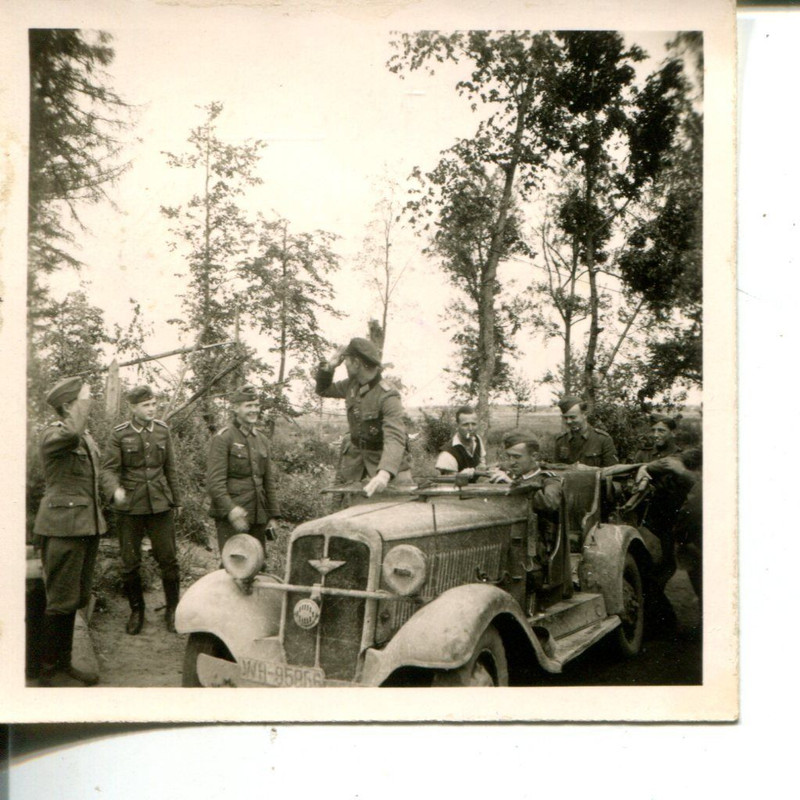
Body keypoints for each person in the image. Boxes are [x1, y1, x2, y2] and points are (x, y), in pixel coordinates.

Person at [33, 377, 105, 687]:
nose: (89, 403)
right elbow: (72, 432)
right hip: (63, 528)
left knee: (76, 598)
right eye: (83, 400)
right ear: (67, 405)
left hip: (85, 526)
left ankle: (64, 662)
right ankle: (49, 670)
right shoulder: (54, 434)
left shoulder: (83, 437)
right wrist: (83, 401)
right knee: (60, 600)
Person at [102, 385, 182, 635]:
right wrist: (114, 490)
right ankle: (137, 610)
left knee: (168, 559)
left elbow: (170, 468)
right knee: (129, 562)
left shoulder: (162, 430)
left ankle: (172, 609)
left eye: (154, 404)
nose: (152, 408)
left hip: (159, 504)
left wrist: (176, 500)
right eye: (146, 405)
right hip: (131, 507)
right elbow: (108, 470)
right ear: (133, 408)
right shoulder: (120, 434)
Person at [315, 337, 411, 497]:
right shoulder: (352, 385)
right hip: (355, 466)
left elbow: (394, 437)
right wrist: (330, 366)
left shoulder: (388, 395)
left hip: (383, 466)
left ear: (357, 363)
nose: (344, 363)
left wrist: (384, 473)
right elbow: (323, 390)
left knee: (392, 514)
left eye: (346, 360)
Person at [206, 384, 281, 556]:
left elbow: (268, 481)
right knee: (234, 567)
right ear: (235, 408)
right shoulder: (224, 438)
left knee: (257, 565)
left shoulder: (262, 439)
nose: (254, 410)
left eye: (256, 406)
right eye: (248, 406)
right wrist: (231, 510)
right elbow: (214, 483)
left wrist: (274, 515)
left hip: (258, 514)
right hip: (232, 517)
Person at [489, 431, 562, 512]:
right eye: (509, 456)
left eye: (517, 457)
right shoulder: (508, 475)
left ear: (534, 456)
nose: (511, 462)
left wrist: (513, 485)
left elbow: (550, 504)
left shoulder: (549, 480)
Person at [553, 395, 618, 467]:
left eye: (572, 417)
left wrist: (588, 470)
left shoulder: (603, 440)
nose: (568, 421)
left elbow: (612, 472)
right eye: (565, 418)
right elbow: (557, 471)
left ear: (585, 415)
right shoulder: (561, 441)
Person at [435, 405, 487, 480]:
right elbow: (447, 483)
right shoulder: (447, 454)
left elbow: (482, 459)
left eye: (473, 424)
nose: (470, 428)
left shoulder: (477, 439)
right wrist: (461, 475)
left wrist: (482, 464)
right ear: (457, 425)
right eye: (465, 424)